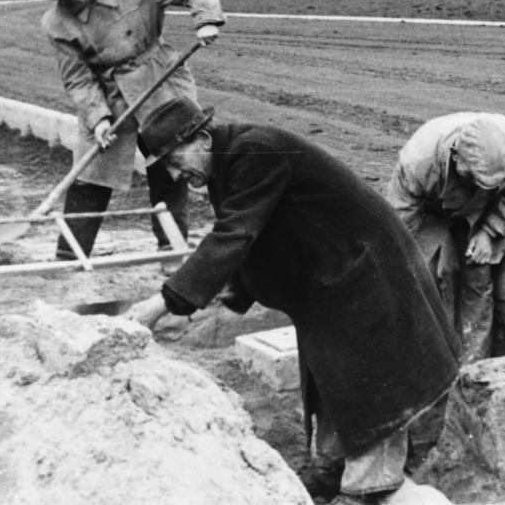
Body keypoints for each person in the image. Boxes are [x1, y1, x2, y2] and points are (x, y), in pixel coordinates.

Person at [124, 96, 459, 505]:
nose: (177, 175)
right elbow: (256, 240)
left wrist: (163, 302)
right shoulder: (226, 165)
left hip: (367, 283)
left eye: (176, 161)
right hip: (334, 288)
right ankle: (330, 475)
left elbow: (236, 234)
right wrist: (230, 301)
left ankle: (372, 489)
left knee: (372, 396)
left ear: (204, 138)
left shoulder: (255, 151)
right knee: (334, 384)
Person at [39, 0, 224, 259]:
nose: (63, 2)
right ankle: (70, 255)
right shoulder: (56, 23)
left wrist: (206, 19)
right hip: (108, 94)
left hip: (160, 82)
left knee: (171, 166)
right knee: (91, 176)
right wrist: (98, 118)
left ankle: (170, 249)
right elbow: (78, 78)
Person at [386, 111, 505, 364]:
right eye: (475, 179)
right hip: (428, 209)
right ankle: (433, 363)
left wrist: (489, 232)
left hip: (482, 207)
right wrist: (399, 270)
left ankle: (473, 367)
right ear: (457, 158)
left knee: (477, 274)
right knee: (427, 275)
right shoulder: (418, 163)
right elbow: (401, 224)